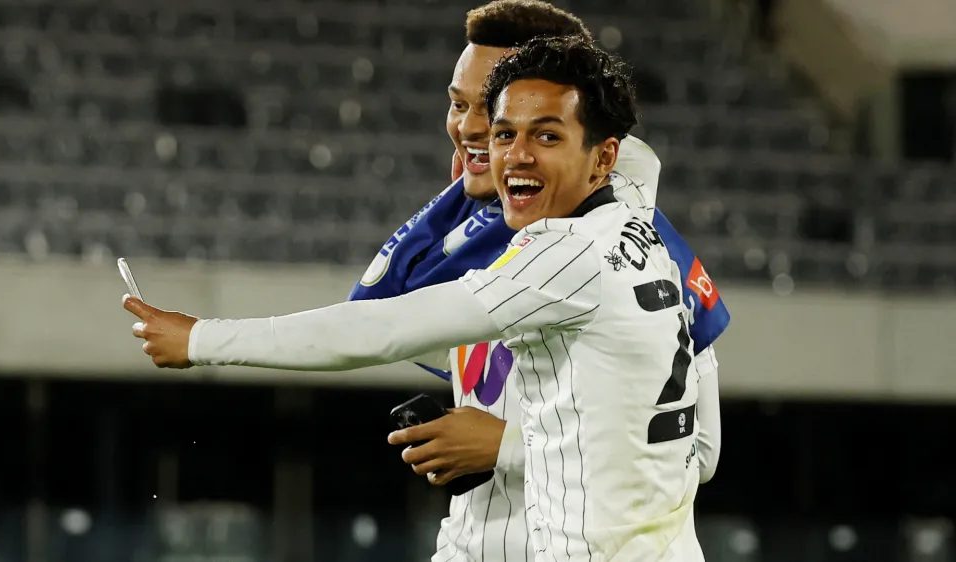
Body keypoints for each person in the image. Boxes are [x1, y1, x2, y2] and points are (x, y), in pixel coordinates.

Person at [126, 34, 711, 561]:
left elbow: (379, 329)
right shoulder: (634, 218)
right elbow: (634, 160)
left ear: (601, 154)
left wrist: (202, 338)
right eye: (499, 129)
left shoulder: (564, 257)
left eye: (547, 135)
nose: (514, 151)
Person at [347, 2, 727, 560]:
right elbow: (369, 311)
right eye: (459, 105)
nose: (471, 126)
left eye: (492, 107)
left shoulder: (639, 249)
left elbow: (700, 448)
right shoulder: (473, 241)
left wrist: (505, 446)